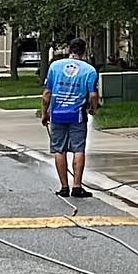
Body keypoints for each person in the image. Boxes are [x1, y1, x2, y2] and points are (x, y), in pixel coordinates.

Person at [41, 37, 100, 200]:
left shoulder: (55, 66)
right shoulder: (89, 70)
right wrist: (93, 108)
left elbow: (46, 95)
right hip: (77, 115)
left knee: (59, 150)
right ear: (84, 51)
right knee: (78, 149)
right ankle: (77, 186)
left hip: (57, 115)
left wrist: (45, 113)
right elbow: (93, 95)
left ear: (69, 49)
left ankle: (64, 187)